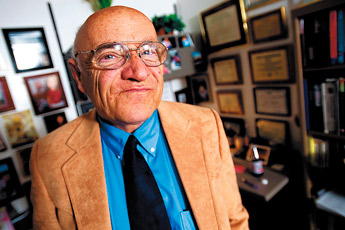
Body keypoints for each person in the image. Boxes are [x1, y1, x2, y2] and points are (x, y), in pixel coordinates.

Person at [30, 5, 249, 230]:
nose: (139, 72)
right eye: (110, 55)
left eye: (147, 52)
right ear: (78, 75)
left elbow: (235, 220)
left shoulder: (206, 124)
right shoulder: (47, 158)